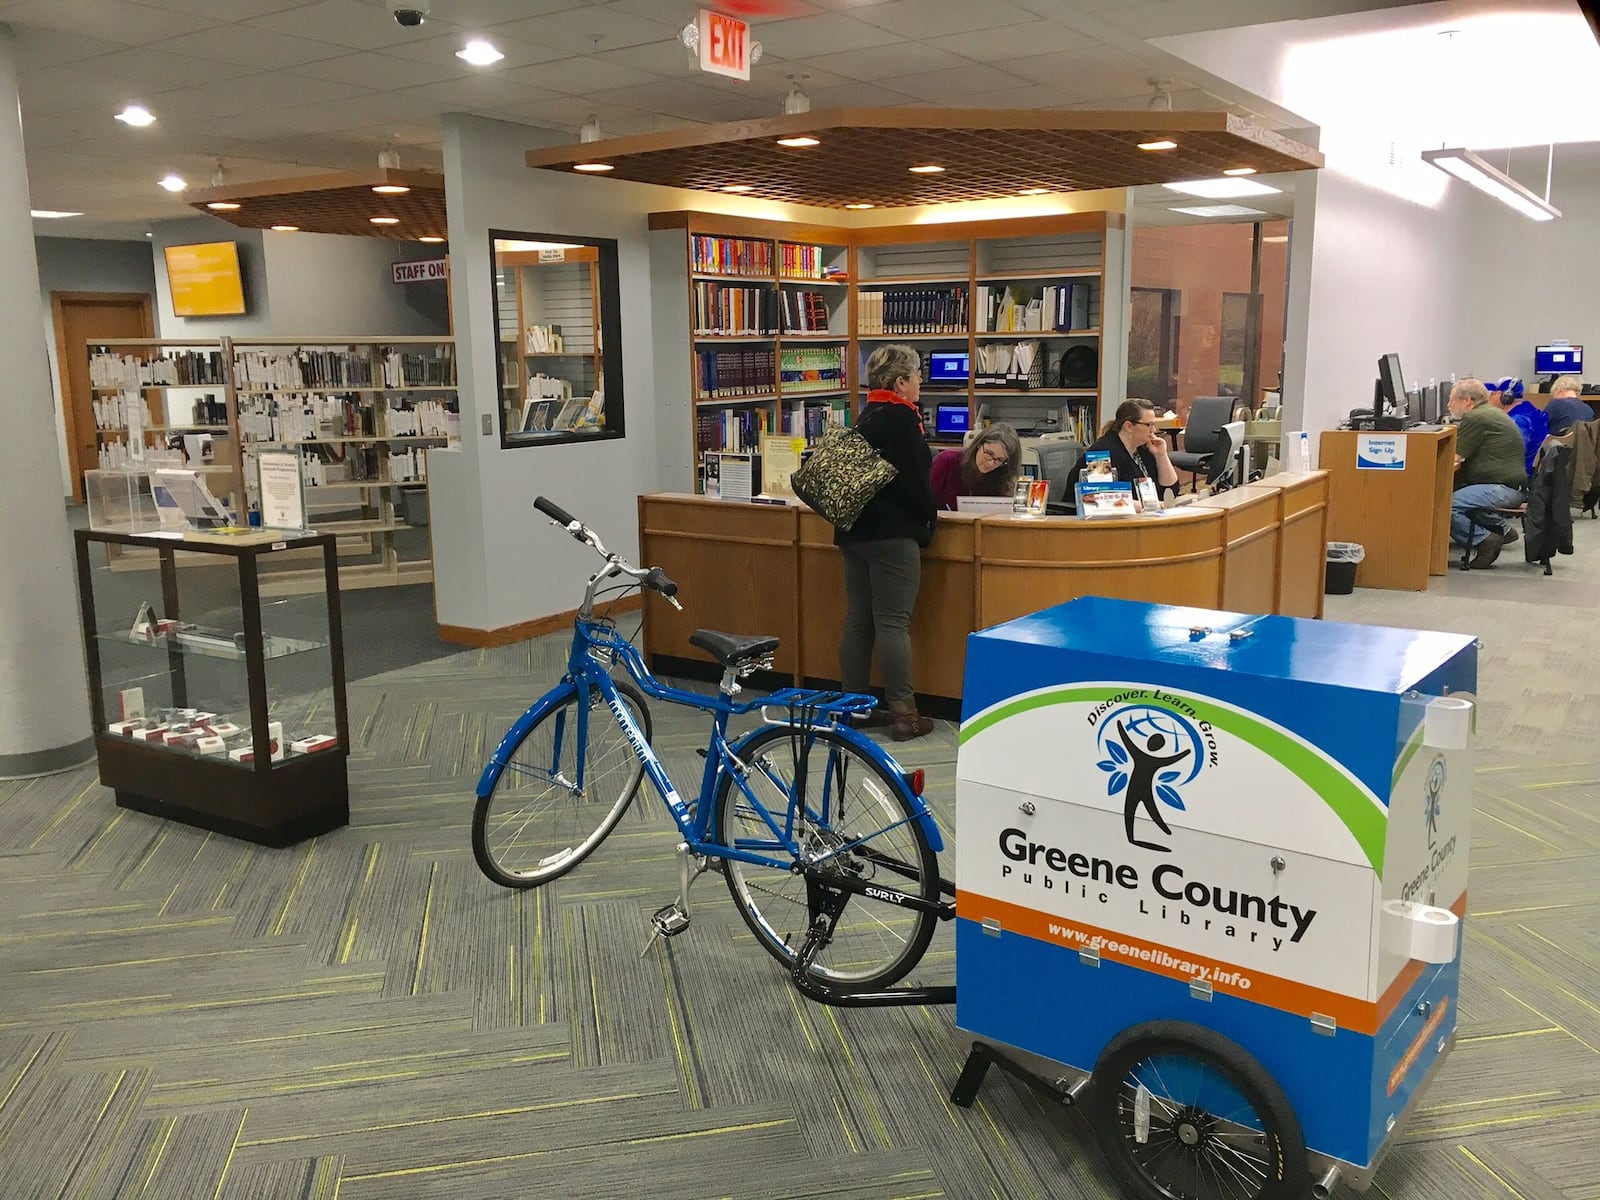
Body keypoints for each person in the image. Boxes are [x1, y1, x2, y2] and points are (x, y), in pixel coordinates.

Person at [836, 344, 938, 741]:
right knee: (894, 623)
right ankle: (903, 714)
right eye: (915, 377)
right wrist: (930, 520)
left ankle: (853, 707)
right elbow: (915, 484)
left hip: (854, 533)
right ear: (901, 382)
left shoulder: (868, 414)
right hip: (893, 536)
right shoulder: (902, 418)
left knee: (859, 619)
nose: (919, 384)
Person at [1449, 378, 1528, 568]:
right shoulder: (1490, 413)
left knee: (1445, 505)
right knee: (1460, 491)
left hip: (1502, 488)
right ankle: (1502, 529)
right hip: (1511, 486)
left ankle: (1485, 540)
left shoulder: (1476, 417)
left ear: (1467, 400)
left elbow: (1456, 457)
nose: (1448, 405)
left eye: (1452, 400)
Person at [1062, 399, 1179, 501]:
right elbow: (1101, 498)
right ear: (1128, 426)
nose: (1153, 430)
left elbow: (1170, 492)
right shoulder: (1100, 453)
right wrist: (1154, 505)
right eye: (1149, 425)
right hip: (1089, 523)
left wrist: (1161, 455)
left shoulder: (1143, 449)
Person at [929, 423, 1021, 511]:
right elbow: (922, 500)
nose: (991, 463)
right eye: (988, 454)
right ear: (979, 444)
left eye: (999, 460)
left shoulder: (1002, 474)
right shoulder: (946, 461)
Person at [1489, 377, 1547, 476]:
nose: (1490, 398)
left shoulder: (1519, 420)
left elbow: (1510, 452)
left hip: (1518, 475)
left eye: (1493, 394)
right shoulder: (1529, 410)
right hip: (1526, 470)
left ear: (1504, 397)